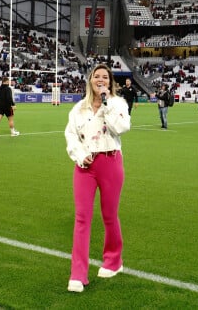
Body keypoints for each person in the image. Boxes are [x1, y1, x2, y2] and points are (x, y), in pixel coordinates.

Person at [64, 63, 131, 293]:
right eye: (97, 76)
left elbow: (121, 127)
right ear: (90, 80)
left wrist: (107, 102)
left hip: (111, 163)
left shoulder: (117, 103)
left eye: (105, 77)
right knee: (82, 218)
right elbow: (71, 136)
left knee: (109, 216)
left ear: (110, 82)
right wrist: (80, 156)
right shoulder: (78, 108)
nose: (100, 79)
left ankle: (114, 261)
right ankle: (77, 275)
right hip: (85, 165)